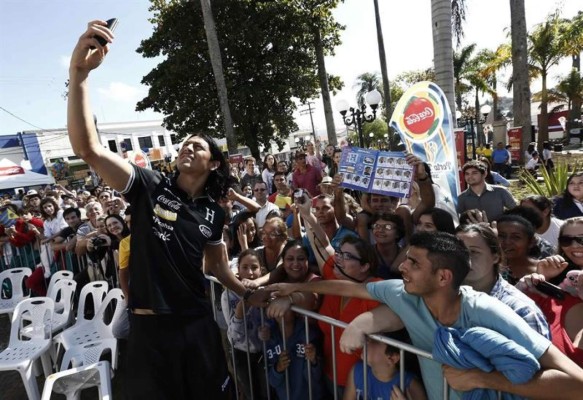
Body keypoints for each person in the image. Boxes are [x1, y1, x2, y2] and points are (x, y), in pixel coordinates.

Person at [67, 21, 268, 399]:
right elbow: (89, 149)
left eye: (199, 146)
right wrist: (79, 74)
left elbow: (217, 265)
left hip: (197, 328)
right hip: (150, 333)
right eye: (185, 144)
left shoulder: (215, 213)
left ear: (213, 164)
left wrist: (246, 290)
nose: (188, 148)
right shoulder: (147, 186)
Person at [268, 231, 583, 400]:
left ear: (444, 277)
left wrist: (481, 378)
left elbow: (576, 383)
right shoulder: (406, 295)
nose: (402, 267)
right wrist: (284, 286)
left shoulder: (487, 311)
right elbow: (351, 289)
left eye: (414, 263)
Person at [455, 223, 550, 338]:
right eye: (458, 252)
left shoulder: (521, 311)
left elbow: (539, 355)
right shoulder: (440, 299)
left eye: (474, 252)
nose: (465, 259)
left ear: (495, 257)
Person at [516, 217, 583, 367]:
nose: (574, 245)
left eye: (581, 239)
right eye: (566, 240)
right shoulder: (558, 274)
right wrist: (543, 279)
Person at [344, 332, 427, 400]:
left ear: (392, 358)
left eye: (375, 340)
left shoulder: (411, 385)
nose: (366, 341)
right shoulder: (357, 371)